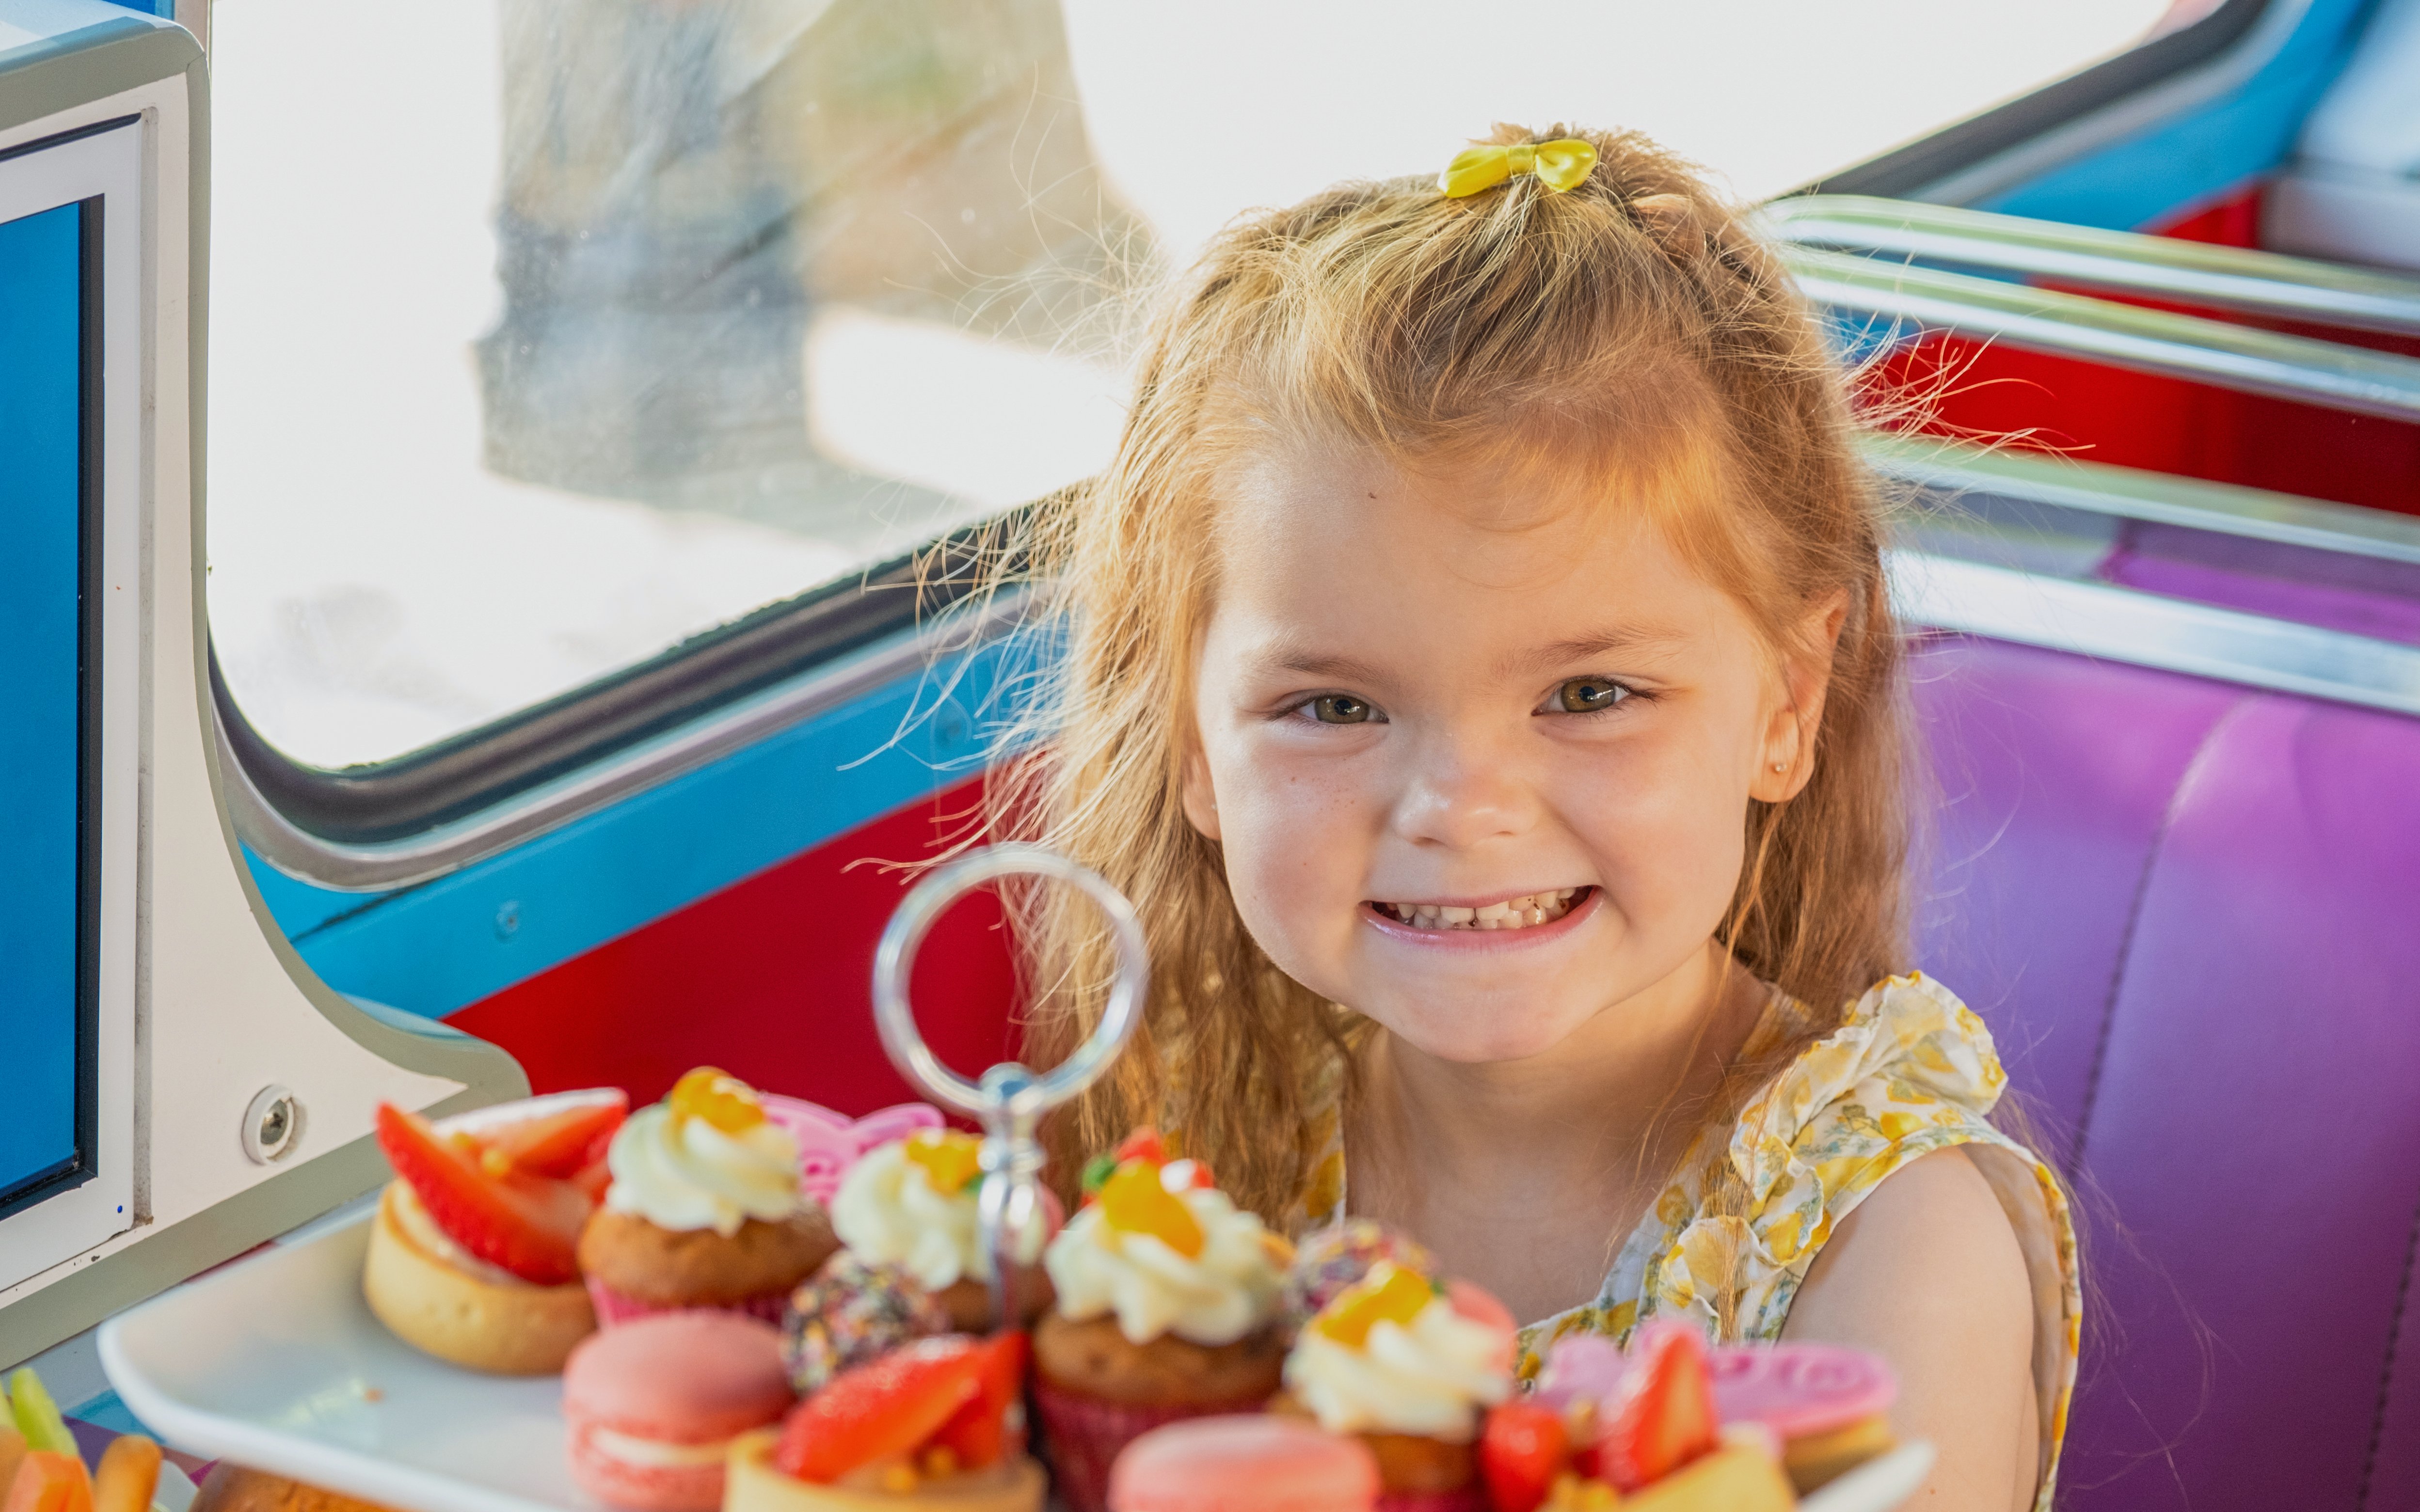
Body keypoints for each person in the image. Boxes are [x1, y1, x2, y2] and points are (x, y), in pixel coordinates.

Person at [982, 125, 2080, 1512]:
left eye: (1591, 691)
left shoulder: (1889, 1235)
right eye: (1333, 708)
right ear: (1193, 744)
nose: (1461, 809)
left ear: (1786, 707)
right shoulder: (1209, 1151)